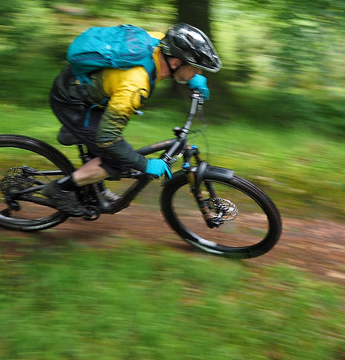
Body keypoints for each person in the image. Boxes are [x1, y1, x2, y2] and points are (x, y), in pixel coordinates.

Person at [42, 22, 221, 216]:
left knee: (110, 148)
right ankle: (60, 189)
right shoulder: (136, 86)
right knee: (117, 161)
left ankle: (95, 187)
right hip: (72, 102)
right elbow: (108, 138)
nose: (199, 73)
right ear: (175, 63)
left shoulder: (159, 42)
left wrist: (192, 78)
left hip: (85, 85)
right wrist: (145, 164)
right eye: (196, 68)